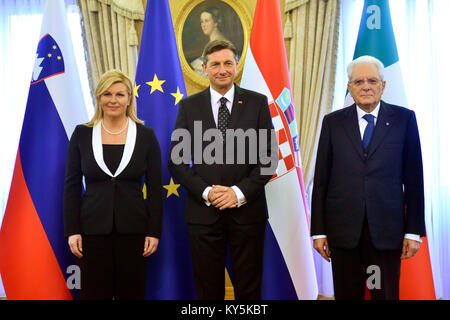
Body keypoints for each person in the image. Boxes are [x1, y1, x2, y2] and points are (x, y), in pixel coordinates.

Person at [169, 39, 277, 299]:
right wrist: (208, 192)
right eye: (215, 64)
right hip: (203, 213)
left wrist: (237, 193)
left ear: (236, 66)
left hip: (247, 211)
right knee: (207, 290)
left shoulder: (257, 103)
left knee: (249, 288)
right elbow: (177, 161)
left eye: (228, 63)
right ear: (204, 69)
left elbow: (270, 158)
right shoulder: (189, 106)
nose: (222, 70)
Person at [311, 55, 425, 300]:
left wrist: (413, 232)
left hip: (385, 234)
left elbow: (415, 180)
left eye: (372, 80)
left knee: (382, 293)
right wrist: (318, 232)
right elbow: (321, 181)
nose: (366, 86)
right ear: (349, 87)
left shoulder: (404, 120)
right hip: (343, 234)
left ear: (383, 85)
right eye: (358, 81)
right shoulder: (332, 123)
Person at [63, 69, 163, 300]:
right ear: (99, 98)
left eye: (120, 94)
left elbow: (156, 189)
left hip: (135, 230)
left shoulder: (146, 136)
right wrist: (72, 230)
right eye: (107, 94)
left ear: (129, 98)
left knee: (132, 293)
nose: (113, 100)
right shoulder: (81, 134)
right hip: (92, 231)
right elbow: (71, 186)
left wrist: (153, 231)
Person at [190, 7, 229, 78]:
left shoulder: (219, 42)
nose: (203, 25)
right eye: (202, 21)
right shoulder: (212, 42)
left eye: (207, 21)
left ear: (216, 23)